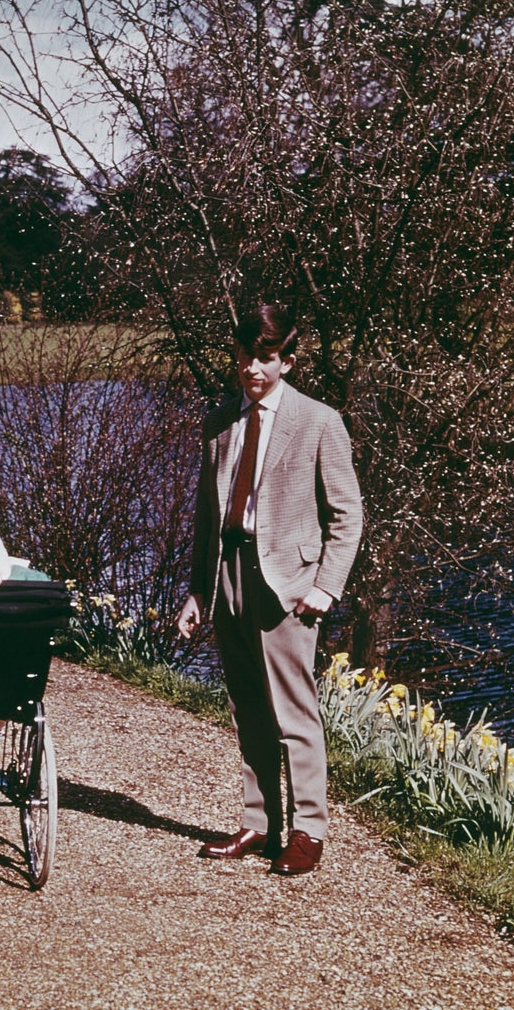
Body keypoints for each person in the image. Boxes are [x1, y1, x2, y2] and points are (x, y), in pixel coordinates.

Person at [176, 304, 362, 877]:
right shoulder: (220, 420)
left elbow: (347, 515)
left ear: (287, 360)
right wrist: (197, 591)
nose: (253, 368)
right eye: (244, 356)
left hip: (287, 582)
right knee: (247, 705)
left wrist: (325, 588)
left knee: (294, 711)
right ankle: (260, 823)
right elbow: (207, 515)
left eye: (266, 357)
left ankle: (309, 831)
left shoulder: (319, 422)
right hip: (229, 570)